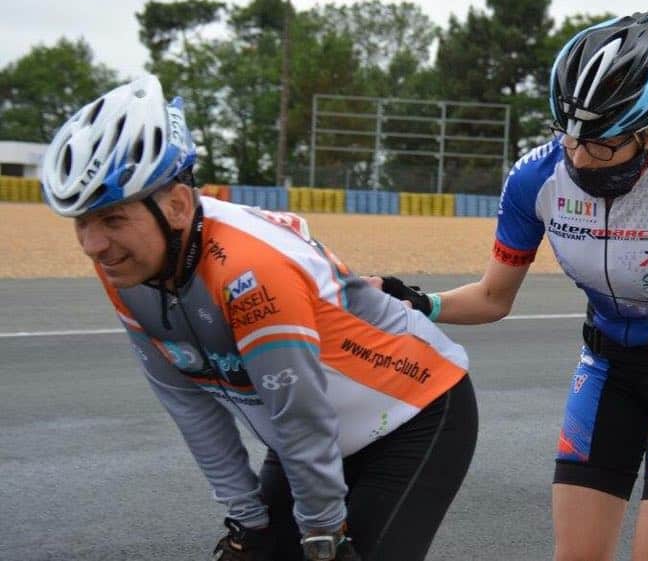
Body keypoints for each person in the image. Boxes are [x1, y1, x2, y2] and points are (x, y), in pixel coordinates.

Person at [376, 12, 648, 561]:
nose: (581, 155)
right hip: (607, 367)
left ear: (647, 131)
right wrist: (417, 303)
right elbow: (493, 298)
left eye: (602, 144)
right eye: (570, 135)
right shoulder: (535, 178)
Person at [40, 75, 478, 561]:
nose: (93, 246)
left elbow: (300, 414)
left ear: (178, 206)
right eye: (82, 222)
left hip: (413, 414)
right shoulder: (124, 267)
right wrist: (247, 520)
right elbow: (188, 401)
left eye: (113, 219)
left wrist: (323, 535)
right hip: (308, 429)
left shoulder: (250, 270)